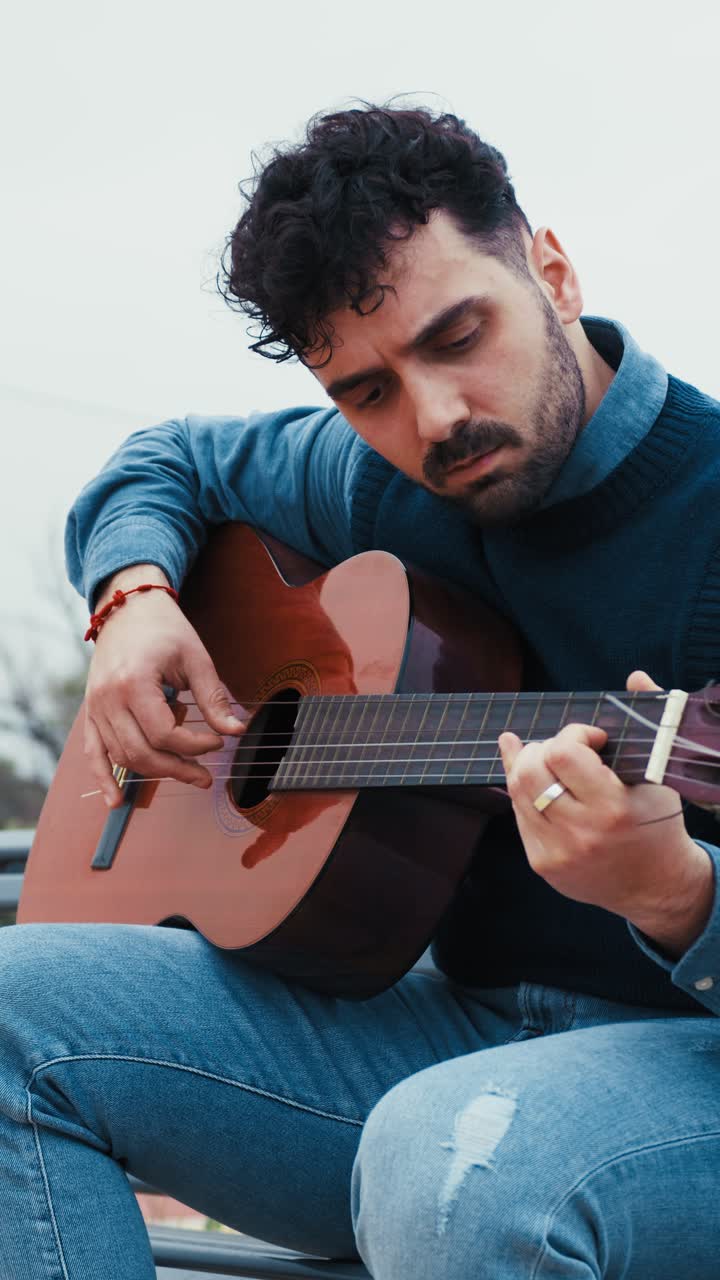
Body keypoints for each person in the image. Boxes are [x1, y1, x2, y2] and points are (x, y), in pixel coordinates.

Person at [3, 104, 720, 1280]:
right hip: (450, 1035)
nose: (433, 418)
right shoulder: (384, 481)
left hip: (685, 1064)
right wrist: (131, 597)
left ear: (551, 269)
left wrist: (681, 895)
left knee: (450, 1159)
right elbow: (167, 459)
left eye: (458, 335)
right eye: (365, 389)